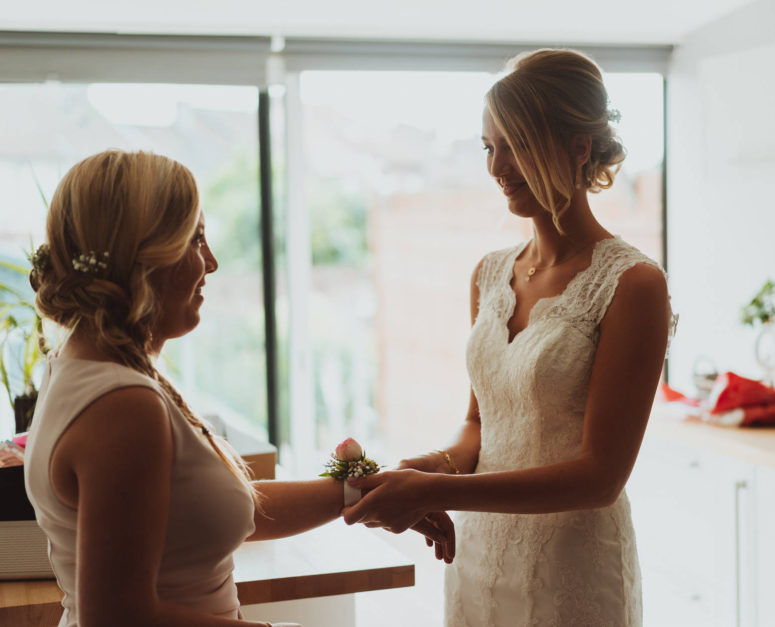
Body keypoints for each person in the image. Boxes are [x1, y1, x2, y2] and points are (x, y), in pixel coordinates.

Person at [23, 150, 454, 627]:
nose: (212, 262)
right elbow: (121, 618)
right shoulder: (123, 406)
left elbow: (222, 512)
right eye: (197, 239)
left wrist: (361, 491)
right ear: (143, 254)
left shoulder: (86, 367)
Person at [342, 49, 676, 626]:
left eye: (517, 145)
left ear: (578, 148)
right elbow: (482, 424)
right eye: (489, 147)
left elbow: (600, 476)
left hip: (573, 568)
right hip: (479, 557)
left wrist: (431, 493)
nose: (498, 166)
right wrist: (435, 468)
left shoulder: (633, 284)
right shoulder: (490, 273)